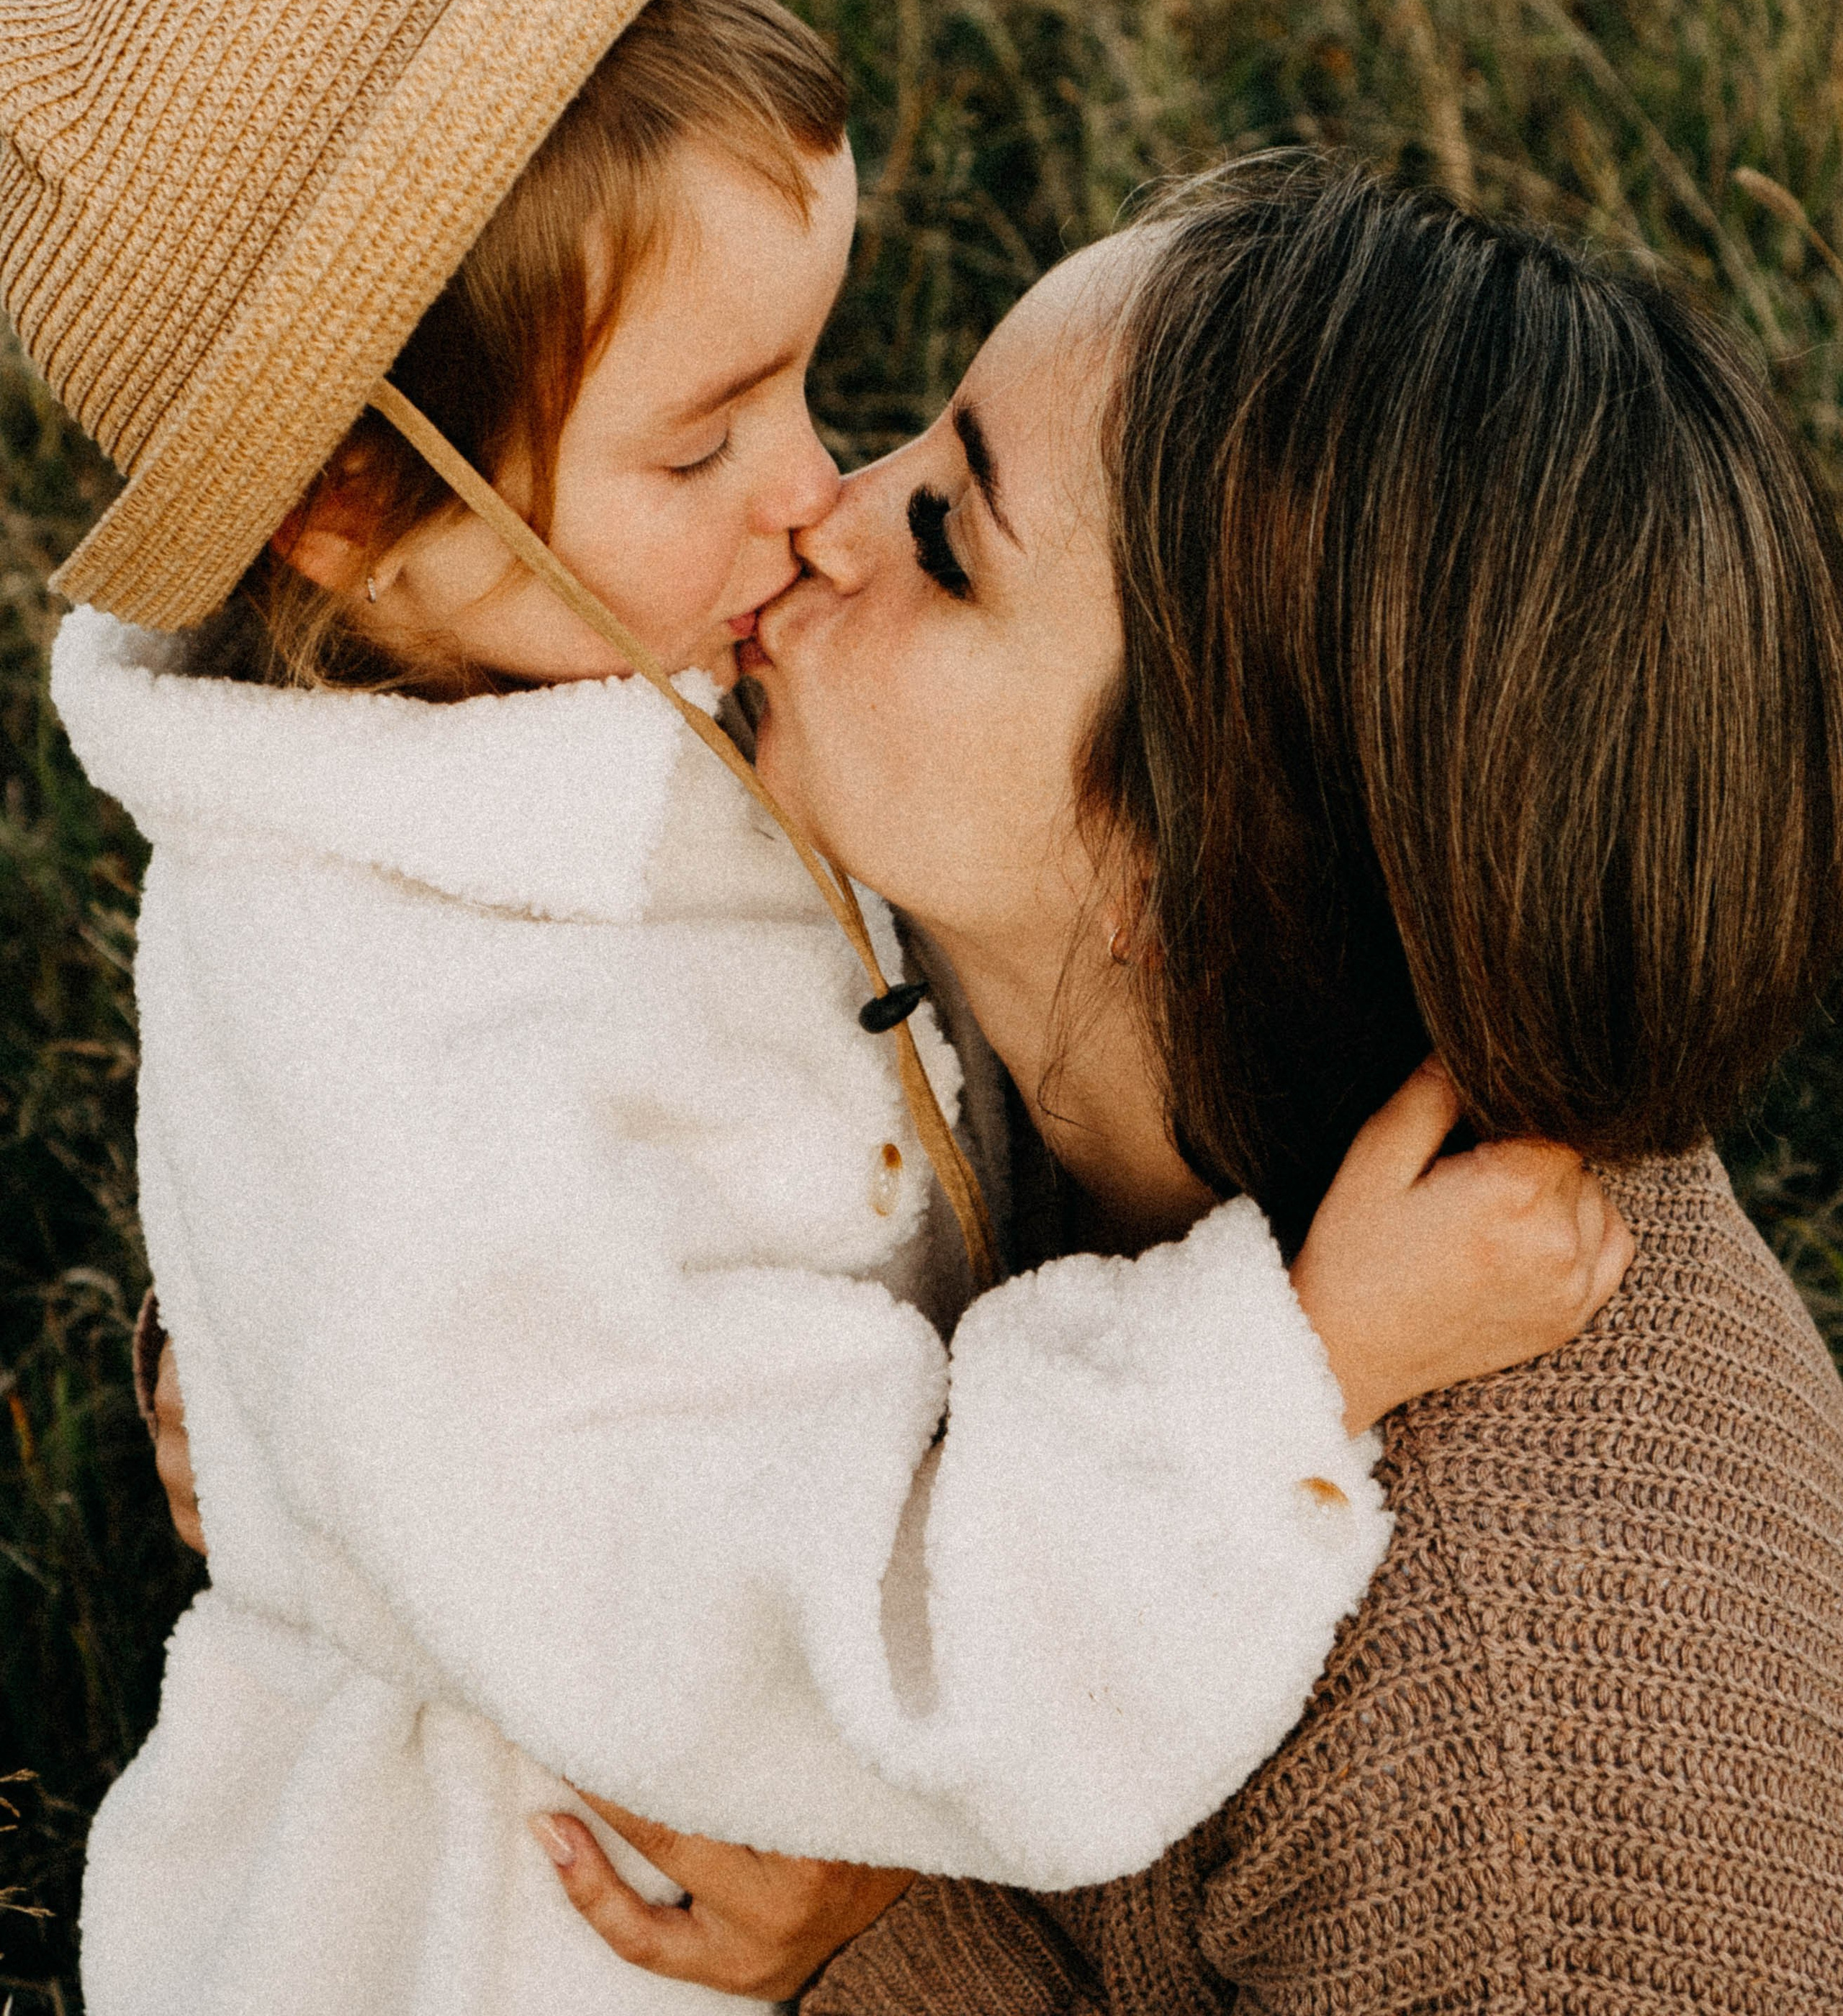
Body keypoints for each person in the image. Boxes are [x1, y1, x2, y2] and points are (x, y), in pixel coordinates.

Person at [5, 0, 1618, 2016]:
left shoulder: (546, 663)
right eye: (704, 439)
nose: (821, 489)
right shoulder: (426, 1094)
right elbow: (867, 1657)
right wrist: (1307, 1357)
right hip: (544, 1943)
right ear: (354, 503)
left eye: (810, 375)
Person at [523, 167, 1843, 2004]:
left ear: (1191, 862)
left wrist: (878, 1888)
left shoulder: (1512, 1780)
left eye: (948, 535)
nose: (824, 509)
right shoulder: (1034, 992)